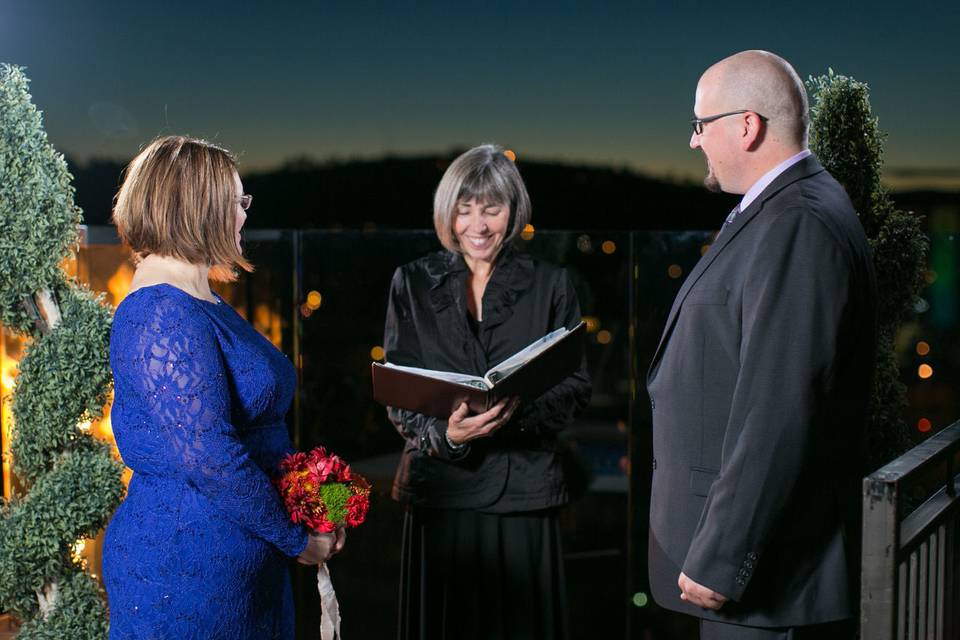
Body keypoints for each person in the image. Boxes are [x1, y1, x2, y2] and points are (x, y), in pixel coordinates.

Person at [646, 51, 878, 639]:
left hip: (765, 583)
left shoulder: (798, 223)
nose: (694, 141)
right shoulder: (783, 210)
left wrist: (724, 556)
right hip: (751, 574)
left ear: (746, 126)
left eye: (701, 125)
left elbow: (780, 407)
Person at [103, 135, 343, 639]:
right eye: (238, 202)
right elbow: (213, 458)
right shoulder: (160, 311)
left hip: (244, 567)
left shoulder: (202, 298)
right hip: (188, 574)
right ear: (199, 207)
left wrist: (326, 504)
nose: (244, 215)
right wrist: (297, 539)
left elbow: (261, 436)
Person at [383, 144, 591, 640]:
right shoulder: (410, 282)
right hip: (440, 492)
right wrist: (448, 434)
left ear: (512, 212)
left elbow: (575, 386)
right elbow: (398, 394)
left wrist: (512, 412)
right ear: (448, 213)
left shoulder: (553, 284)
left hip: (523, 494)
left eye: (491, 209)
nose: (478, 225)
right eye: (465, 209)